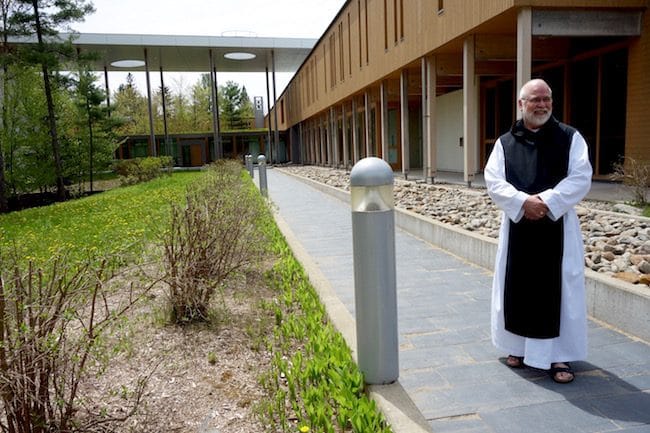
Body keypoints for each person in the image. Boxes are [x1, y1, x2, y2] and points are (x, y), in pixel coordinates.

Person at [484, 78, 592, 384]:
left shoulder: (570, 138)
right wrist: (521, 202)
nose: (542, 104)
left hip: (557, 227)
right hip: (519, 226)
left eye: (547, 99)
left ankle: (558, 356)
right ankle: (516, 347)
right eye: (535, 99)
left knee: (559, 291)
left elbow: (581, 176)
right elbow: (494, 181)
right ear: (521, 104)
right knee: (516, 286)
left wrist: (546, 201)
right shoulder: (505, 143)